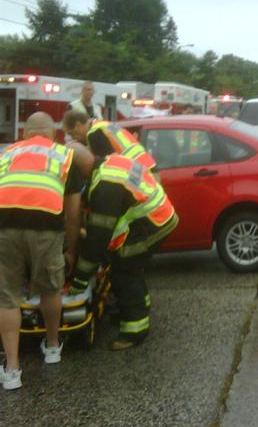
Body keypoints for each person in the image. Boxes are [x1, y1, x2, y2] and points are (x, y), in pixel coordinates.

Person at [0, 112, 83, 390]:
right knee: (50, 289)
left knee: (7, 297)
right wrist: (70, 250)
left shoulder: (6, 153)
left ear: (24, 134)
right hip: (46, 229)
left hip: (4, 227)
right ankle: (52, 346)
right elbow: (72, 215)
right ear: (54, 134)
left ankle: (12, 369)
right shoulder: (63, 156)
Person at [67, 147, 178, 350]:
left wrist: (80, 279)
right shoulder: (110, 161)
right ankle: (138, 307)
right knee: (132, 267)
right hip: (159, 216)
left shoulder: (105, 187)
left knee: (123, 271)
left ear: (77, 169)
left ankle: (135, 331)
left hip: (151, 225)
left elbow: (97, 239)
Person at [62, 110, 156, 170]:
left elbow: (106, 166)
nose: (74, 138)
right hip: (146, 165)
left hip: (136, 170)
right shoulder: (103, 124)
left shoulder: (93, 133)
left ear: (78, 125)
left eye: (71, 133)